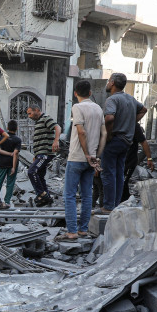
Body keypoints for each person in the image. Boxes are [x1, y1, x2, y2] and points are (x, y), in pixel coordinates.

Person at [61, 80, 104, 240]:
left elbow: (81, 132)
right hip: (91, 159)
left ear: (75, 93)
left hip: (77, 157)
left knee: (70, 195)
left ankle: (72, 231)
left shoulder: (77, 107)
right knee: (87, 195)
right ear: (90, 93)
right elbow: (104, 134)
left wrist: (86, 154)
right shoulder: (98, 108)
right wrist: (96, 156)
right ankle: (83, 229)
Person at [100, 72, 143, 212]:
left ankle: (108, 206)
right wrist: (131, 122)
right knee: (118, 173)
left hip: (115, 139)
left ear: (112, 82)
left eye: (108, 81)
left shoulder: (112, 100)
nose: (107, 83)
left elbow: (109, 118)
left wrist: (109, 134)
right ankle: (116, 205)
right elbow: (144, 109)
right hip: (126, 142)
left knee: (108, 173)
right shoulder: (130, 99)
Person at [26, 102, 60, 206]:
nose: (29, 116)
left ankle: (42, 194)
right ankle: (46, 198)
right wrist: (36, 155)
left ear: (36, 110)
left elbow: (57, 127)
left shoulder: (45, 117)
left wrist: (56, 140)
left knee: (32, 171)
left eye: (30, 113)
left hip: (45, 153)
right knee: (40, 176)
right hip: (40, 154)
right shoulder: (38, 122)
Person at [121, 104, 155, 202]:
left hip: (129, 160)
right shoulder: (118, 123)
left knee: (123, 182)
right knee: (121, 183)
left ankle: (124, 203)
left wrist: (149, 159)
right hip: (119, 159)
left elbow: (144, 142)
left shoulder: (134, 126)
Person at [0, 120, 22, 209]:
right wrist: (13, 167)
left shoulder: (2, 137)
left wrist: (7, 153)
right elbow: (15, 154)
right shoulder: (17, 140)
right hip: (12, 164)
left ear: (7, 128)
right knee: (10, 184)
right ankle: (7, 201)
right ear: (16, 128)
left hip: (2, 163)